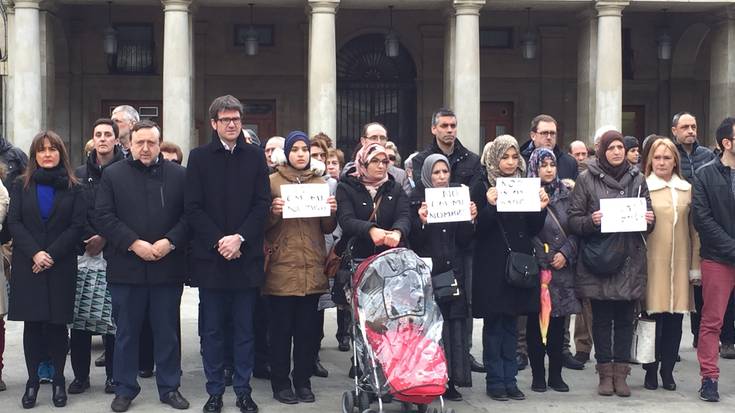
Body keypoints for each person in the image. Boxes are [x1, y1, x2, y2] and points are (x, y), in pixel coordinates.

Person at [94, 120, 189, 412]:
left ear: (159, 144)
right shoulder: (113, 175)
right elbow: (104, 217)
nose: (145, 148)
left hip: (166, 267)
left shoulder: (179, 175)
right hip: (127, 268)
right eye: (139, 143)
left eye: (151, 143)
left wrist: (169, 242)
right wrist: (134, 243)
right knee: (125, 334)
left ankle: (170, 387)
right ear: (129, 144)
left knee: (167, 333)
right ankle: (125, 388)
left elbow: (189, 216)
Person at [186, 95, 269, 413]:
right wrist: (221, 240)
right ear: (214, 124)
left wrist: (240, 238)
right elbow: (192, 208)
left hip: (245, 259)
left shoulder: (255, 157)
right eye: (225, 119)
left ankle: (244, 391)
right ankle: (215, 391)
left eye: (236, 119)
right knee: (213, 330)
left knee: (245, 330)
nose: (232, 124)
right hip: (212, 260)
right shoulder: (199, 157)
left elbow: (261, 205)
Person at [568, 130, 654, 398]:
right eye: (611, 147)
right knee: (602, 321)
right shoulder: (586, 179)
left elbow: (648, 217)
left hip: (629, 260)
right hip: (599, 261)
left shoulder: (638, 178)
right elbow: (573, 220)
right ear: (602, 150)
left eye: (620, 147)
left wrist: (650, 219)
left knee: (626, 320)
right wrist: (591, 221)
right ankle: (605, 374)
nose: (617, 151)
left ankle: (621, 374)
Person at [8, 131, 85, 409]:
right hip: (28, 264)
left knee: (56, 325)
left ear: (61, 154)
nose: (48, 154)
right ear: (34, 156)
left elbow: (77, 226)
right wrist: (36, 253)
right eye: (42, 150)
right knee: (33, 324)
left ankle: (59, 380)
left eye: (53, 149)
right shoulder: (20, 185)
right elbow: (14, 223)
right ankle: (31, 381)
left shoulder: (74, 187)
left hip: (60, 264)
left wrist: (50, 254)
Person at [471, 135, 549, 402]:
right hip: (492, 266)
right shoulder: (481, 186)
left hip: (519, 264)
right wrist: (490, 206)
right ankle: (495, 380)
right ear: (494, 158)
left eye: (515, 157)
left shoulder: (525, 185)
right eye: (505, 157)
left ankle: (510, 380)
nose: (510, 162)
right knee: (495, 325)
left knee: (513, 325)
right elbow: (476, 230)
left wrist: (541, 208)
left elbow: (532, 228)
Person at [264, 131, 337, 404]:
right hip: (282, 269)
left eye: (304, 149)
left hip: (312, 268)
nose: (300, 154)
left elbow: (327, 227)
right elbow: (261, 225)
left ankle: (303, 381)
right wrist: (272, 213)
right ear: (286, 153)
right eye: (294, 149)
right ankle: (281, 383)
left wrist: (331, 211)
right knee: (281, 333)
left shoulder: (320, 183)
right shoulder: (271, 183)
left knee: (307, 334)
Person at [411, 108, 484, 372]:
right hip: (430, 253)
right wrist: (422, 218)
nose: (450, 130)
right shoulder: (421, 160)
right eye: (444, 125)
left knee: (460, 306)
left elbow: (472, 194)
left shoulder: (472, 161)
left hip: (458, 247)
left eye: (453, 125)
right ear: (434, 129)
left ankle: (460, 358)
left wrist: (470, 214)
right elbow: (420, 194)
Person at [410, 153, 477, 401]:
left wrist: (470, 220)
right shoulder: (416, 199)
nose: (440, 177)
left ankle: (452, 380)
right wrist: (422, 221)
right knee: (431, 328)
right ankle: (430, 379)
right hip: (428, 273)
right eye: (436, 173)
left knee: (453, 325)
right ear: (427, 174)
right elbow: (413, 241)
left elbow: (465, 240)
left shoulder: (457, 196)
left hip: (454, 270)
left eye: (445, 172)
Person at [69, 119, 125, 396]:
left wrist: (104, 237)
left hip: (114, 253)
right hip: (84, 252)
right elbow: (75, 212)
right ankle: (81, 376)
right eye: (98, 134)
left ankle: (114, 376)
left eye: (108, 134)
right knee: (79, 319)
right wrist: (90, 237)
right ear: (92, 139)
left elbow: (125, 212)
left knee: (111, 321)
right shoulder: (78, 174)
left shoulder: (127, 171)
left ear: (116, 139)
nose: (103, 139)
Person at [670, 113, 728, 356]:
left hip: (704, 226)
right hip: (678, 223)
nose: (690, 131)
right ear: (675, 130)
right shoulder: (670, 155)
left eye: (694, 126)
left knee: (700, 281)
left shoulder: (706, 155)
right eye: (685, 127)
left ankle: (698, 335)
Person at [642, 137, 696, 392]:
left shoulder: (686, 189)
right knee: (653, 317)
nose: (662, 162)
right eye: (657, 157)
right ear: (650, 161)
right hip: (652, 261)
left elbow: (693, 230)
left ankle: (668, 370)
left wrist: (695, 266)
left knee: (675, 318)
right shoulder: (643, 187)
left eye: (667, 157)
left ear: (675, 160)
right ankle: (650, 369)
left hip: (680, 261)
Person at [525, 147, 581, 393]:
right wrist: (545, 256)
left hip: (563, 269)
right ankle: (538, 375)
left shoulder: (568, 193)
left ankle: (556, 375)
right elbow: (525, 231)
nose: (548, 169)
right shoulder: (525, 193)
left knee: (559, 325)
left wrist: (566, 254)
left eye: (552, 164)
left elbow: (578, 229)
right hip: (538, 268)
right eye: (542, 165)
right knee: (535, 324)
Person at [692, 116, 735, 402]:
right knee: (712, 321)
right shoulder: (705, 174)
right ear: (726, 143)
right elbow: (702, 219)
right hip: (719, 257)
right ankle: (709, 378)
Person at [343, 123, 412, 195]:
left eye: (382, 138)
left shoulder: (400, 175)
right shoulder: (350, 172)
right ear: (363, 141)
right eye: (373, 138)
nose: (378, 142)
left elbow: (406, 202)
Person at [519, 114, 578, 180]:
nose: (549, 137)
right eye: (544, 133)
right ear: (533, 135)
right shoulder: (520, 161)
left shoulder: (569, 163)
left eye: (552, 133)